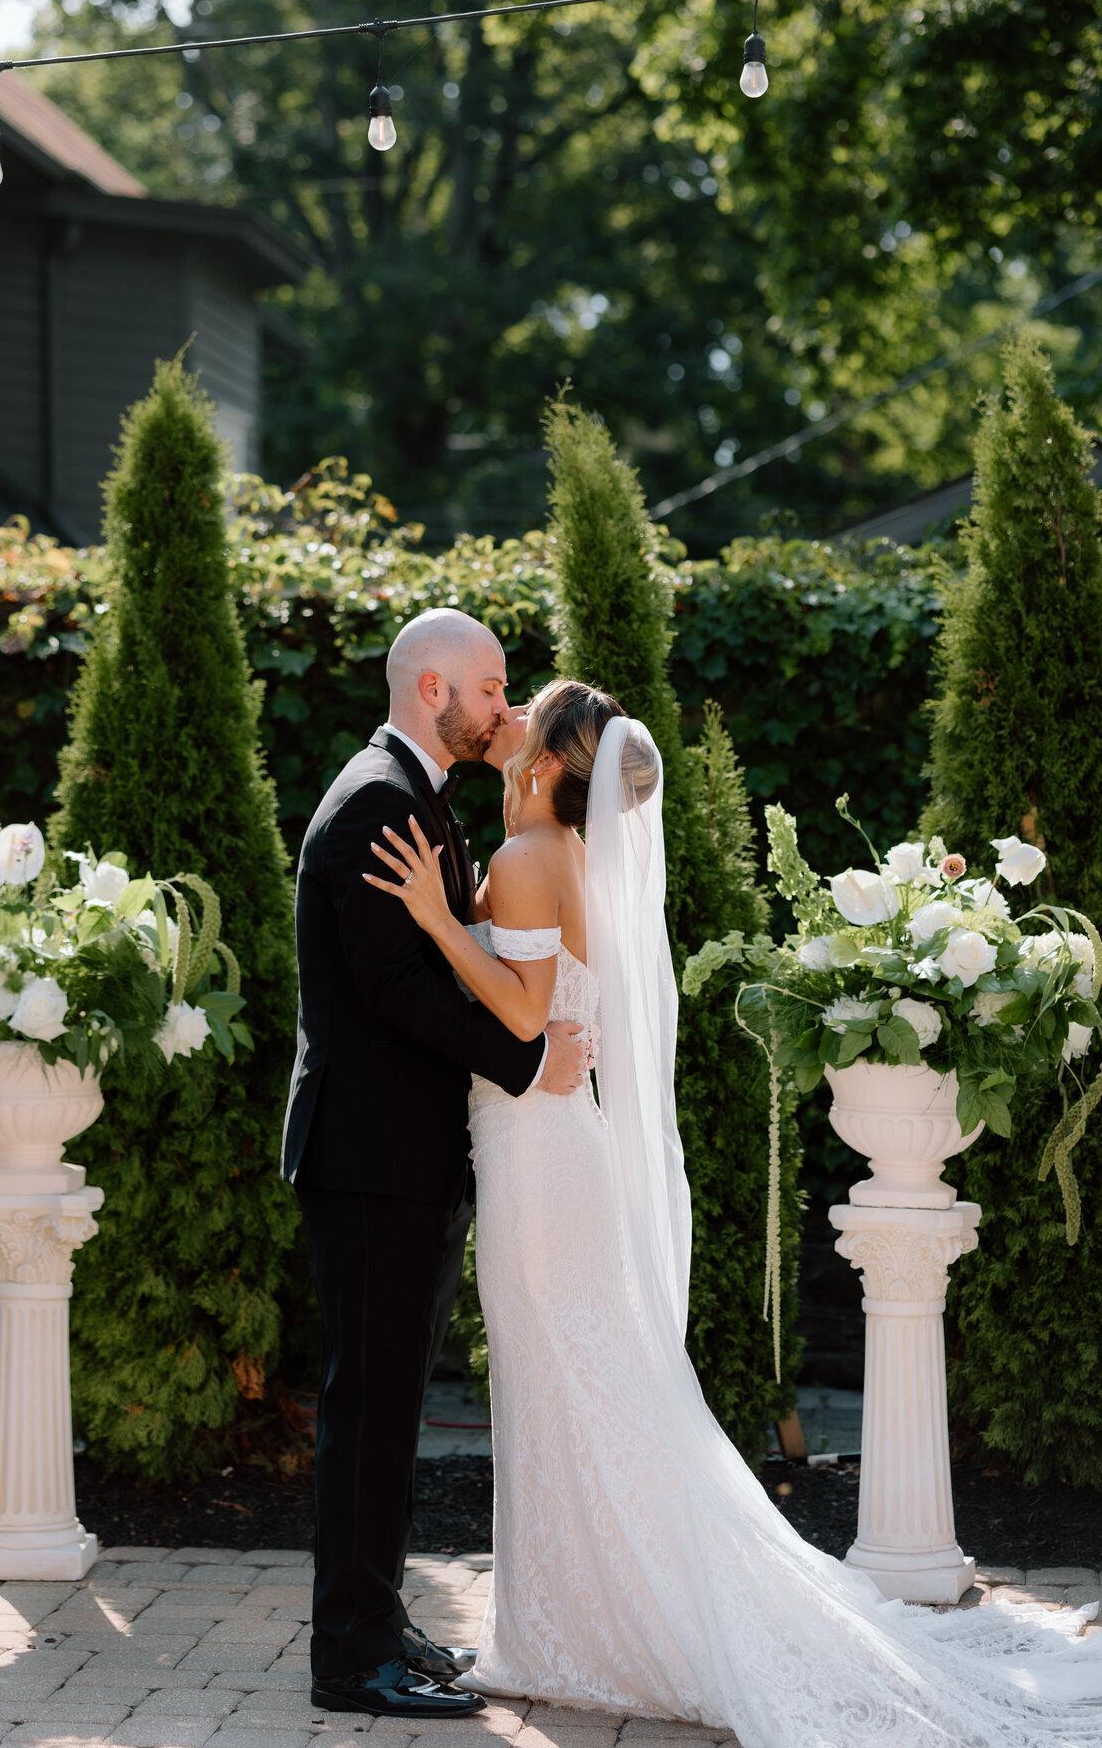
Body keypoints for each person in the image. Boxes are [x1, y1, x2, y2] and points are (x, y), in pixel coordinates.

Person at [363, 676, 1102, 1748]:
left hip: (538, 1160)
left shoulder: (528, 857)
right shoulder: (556, 851)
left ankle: (589, 1631)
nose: (507, 712)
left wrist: (435, 916)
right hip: (550, 1148)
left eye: (527, 708)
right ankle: (573, 1626)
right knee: (574, 1385)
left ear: (553, 761)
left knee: (566, 1384)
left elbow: (523, 1015)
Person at [280, 610, 589, 1721]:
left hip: (400, 1155)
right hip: (372, 1158)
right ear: (431, 690)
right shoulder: (379, 801)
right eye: (491, 687)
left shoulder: (415, 795)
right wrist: (528, 1062)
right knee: (369, 1410)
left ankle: (377, 1619)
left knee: (390, 1402)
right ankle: (349, 1658)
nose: (504, 706)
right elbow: (397, 992)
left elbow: (435, 958)